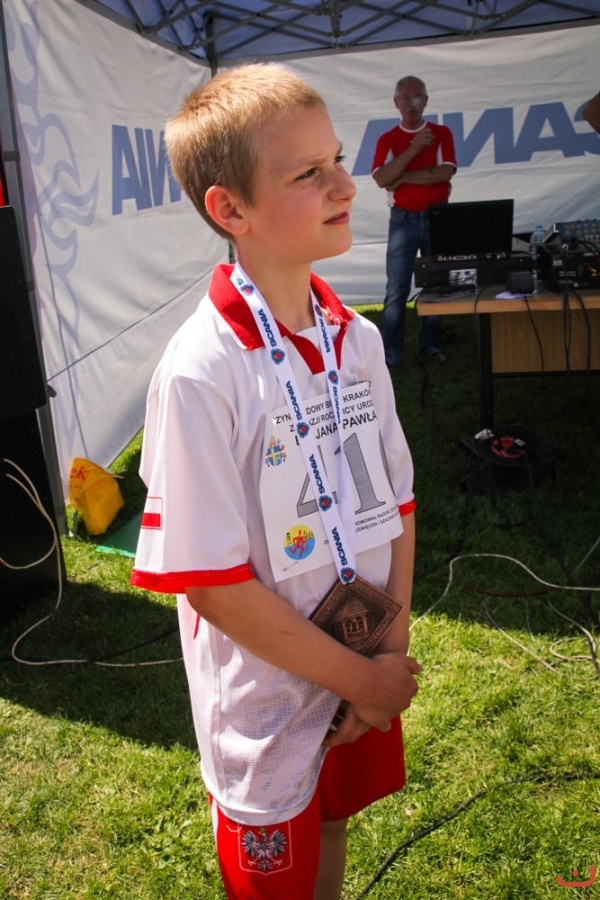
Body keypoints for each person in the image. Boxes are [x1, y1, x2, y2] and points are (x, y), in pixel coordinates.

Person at [130, 62, 421, 900]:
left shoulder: (356, 339)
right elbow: (213, 583)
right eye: (308, 174)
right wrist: (363, 680)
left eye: (339, 161)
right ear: (231, 211)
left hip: (365, 656)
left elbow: (398, 501)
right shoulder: (202, 371)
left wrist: (387, 650)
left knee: (333, 822)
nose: (347, 186)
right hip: (266, 703)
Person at [372, 76, 457, 366]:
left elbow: (444, 173)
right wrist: (415, 148)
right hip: (403, 219)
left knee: (437, 285)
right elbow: (382, 178)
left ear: (426, 101)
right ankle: (390, 355)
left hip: (437, 217)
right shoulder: (388, 139)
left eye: (418, 96)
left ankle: (430, 347)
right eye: (406, 98)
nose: (412, 103)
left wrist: (402, 177)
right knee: (397, 289)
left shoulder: (441, 133)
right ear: (396, 103)